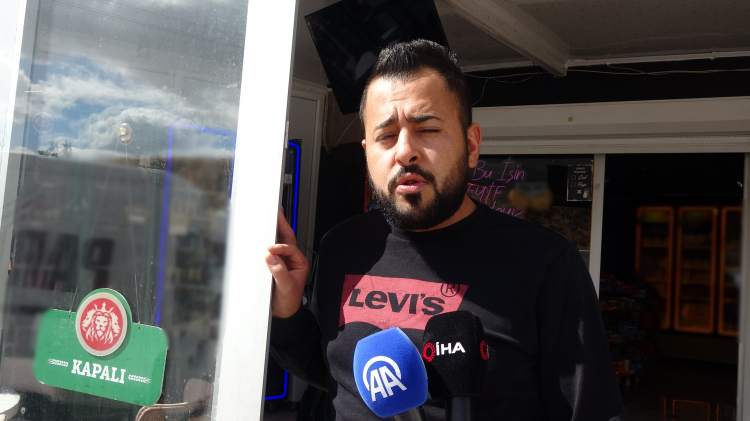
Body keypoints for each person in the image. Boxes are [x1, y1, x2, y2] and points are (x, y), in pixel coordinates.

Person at [266, 39, 625, 420]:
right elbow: (332, 374)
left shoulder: (546, 265)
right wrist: (287, 312)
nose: (405, 151)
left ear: (471, 146)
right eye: (386, 136)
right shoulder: (343, 245)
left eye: (427, 129)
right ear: (367, 150)